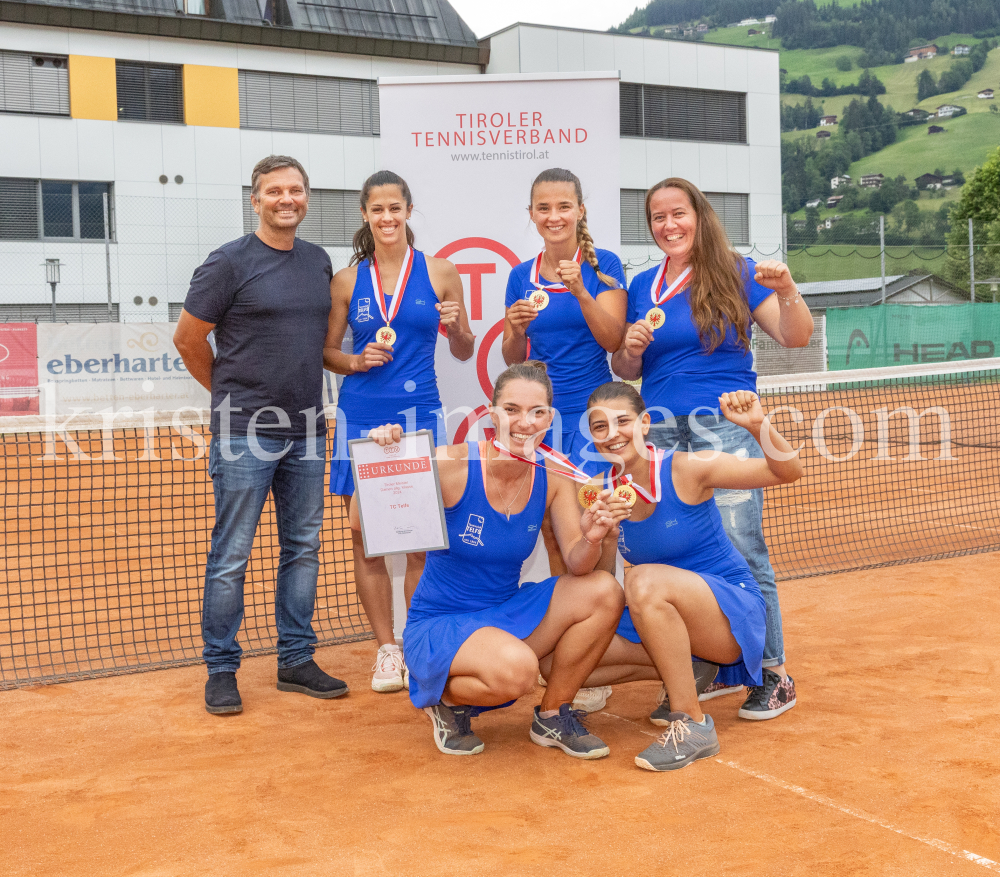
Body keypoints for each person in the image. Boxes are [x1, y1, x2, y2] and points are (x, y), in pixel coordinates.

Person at [611, 177, 813, 720]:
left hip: (722, 425)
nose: (669, 225)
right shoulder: (642, 284)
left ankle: (773, 672)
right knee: (666, 548)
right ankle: (705, 661)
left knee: (741, 544)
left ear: (698, 215)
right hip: (655, 432)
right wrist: (628, 352)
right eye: (658, 217)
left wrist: (789, 289)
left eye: (678, 213)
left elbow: (795, 337)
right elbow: (626, 370)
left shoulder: (737, 271)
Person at [359, 362, 625, 758]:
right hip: (440, 622)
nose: (525, 422)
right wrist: (385, 459)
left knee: (605, 590)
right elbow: (361, 522)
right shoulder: (450, 464)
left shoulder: (554, 476)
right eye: (512, 409)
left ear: (550, 418)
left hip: (504, 609)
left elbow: (579, 564)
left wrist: (592, 536)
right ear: (491, 413)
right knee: (518, 671)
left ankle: (552, 714)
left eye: (537, 412)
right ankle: (444, 700)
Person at [174, 154, 348, 716]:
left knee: (303, 550)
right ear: (255, 200)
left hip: (307, 430)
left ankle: (295, 660)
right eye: (274, 191)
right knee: (232, 555)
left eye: (295, 190)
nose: (286, 199)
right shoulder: (227, 262)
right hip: (244, 432)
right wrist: (227, 395)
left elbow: (316, 343)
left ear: (306, 197)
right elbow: (188, 339)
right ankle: (221, 669)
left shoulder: (318, 261)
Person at [574, 381, 802, 770]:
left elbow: (787, 471)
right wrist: (601, 539)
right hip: (673, 614)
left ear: (645, 423)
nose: (612, 434)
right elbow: (601, 580)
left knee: (642, 581)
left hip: (732, 613)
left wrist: (757, 424)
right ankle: (695, 664)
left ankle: (692, 723)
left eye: (623, 422)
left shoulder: (685, 468)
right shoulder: (606, 491)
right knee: (564, 662)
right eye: (599, 427)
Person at [324, 170, 475, 694]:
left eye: (395, 207)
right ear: (365, 216)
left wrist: (456, 324)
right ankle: (386, 649)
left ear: (408, 210)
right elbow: (327, 353)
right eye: (377, 209)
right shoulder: (346, 281)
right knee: (363, 536)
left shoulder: (440, 272)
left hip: (420, 417)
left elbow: (464, 348)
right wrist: (355, 359)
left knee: (417, 540)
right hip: (360, 415)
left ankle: (415, 642)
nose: (387, 217)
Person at [502, 169, 626, 705]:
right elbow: (515, 359)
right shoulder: (519, 275)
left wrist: (579, 288)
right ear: (531, 214)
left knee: (602, 529)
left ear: (580, 211)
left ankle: (598, 640)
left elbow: (614, 339)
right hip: (545, 422)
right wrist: (512, 325)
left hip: (594, 420)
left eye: (563, 206)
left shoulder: (605, 267)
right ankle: (575, 646)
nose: (554, 216)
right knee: (559, 534)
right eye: (543, 208)